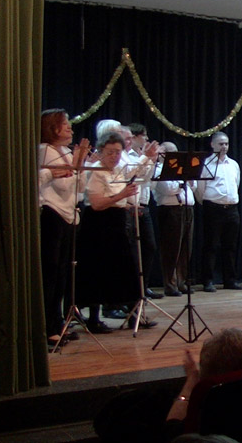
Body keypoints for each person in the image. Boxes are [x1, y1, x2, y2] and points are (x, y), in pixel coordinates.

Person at [77, 131, 154, 333]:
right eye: (110, 152)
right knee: (97, 270)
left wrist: (147, 157)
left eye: (118, 152)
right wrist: (122, 194)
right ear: (101, 151)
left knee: (125, 268)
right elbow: (96, 204)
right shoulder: (95, 171)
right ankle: (94, 319)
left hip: (117, 221)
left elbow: (135, 172)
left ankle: (133, 315)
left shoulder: (119, 168)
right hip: (98, 223)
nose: (115, 156)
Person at [38, 109, 89, 349]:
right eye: (64, 124)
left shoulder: (66, 153)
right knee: (50, 273)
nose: (70, 128)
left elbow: (79, 187)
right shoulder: (45, 150)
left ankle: (58, 323)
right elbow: (61, 186)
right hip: (52, 214)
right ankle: (48, 327)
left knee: (62, 275)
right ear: (52, 128)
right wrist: (75, 167)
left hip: (69, 215)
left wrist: (79, 163)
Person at [195, 132, 242, 292]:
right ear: (212, 145)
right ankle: (208, 280)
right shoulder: (206, 164)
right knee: (211, 246)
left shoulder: (233, 164)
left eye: (226, 144)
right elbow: (200, 190)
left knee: (230, 246)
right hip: (213, 208)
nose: (224, 147)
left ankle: (230, 280)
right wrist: (209, 202)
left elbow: (237, 184)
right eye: (221, 144)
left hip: (232, 209)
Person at [153, 142, 197, 296]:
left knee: (186, 248)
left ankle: (182, 281)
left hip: (187, 208)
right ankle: (170, 284)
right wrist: (182, 183)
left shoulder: (182, 168)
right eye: (170, 152)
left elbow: (193, 185)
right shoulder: (158, 169)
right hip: (170, 210)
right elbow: (167, 188)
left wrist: (185, 182)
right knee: (172, 248)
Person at [128, 122, 163, 299]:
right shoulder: (127, 156)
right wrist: (146, 159)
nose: (147, 139)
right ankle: (133, 291)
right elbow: (134, 177)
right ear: (134, 137)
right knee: (133, 250)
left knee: (149, 247)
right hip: (131, 205)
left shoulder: (143, 155)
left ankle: (144, 286)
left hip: (144, 204)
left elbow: (148, 179)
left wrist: (151, 161)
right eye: (144, 136)